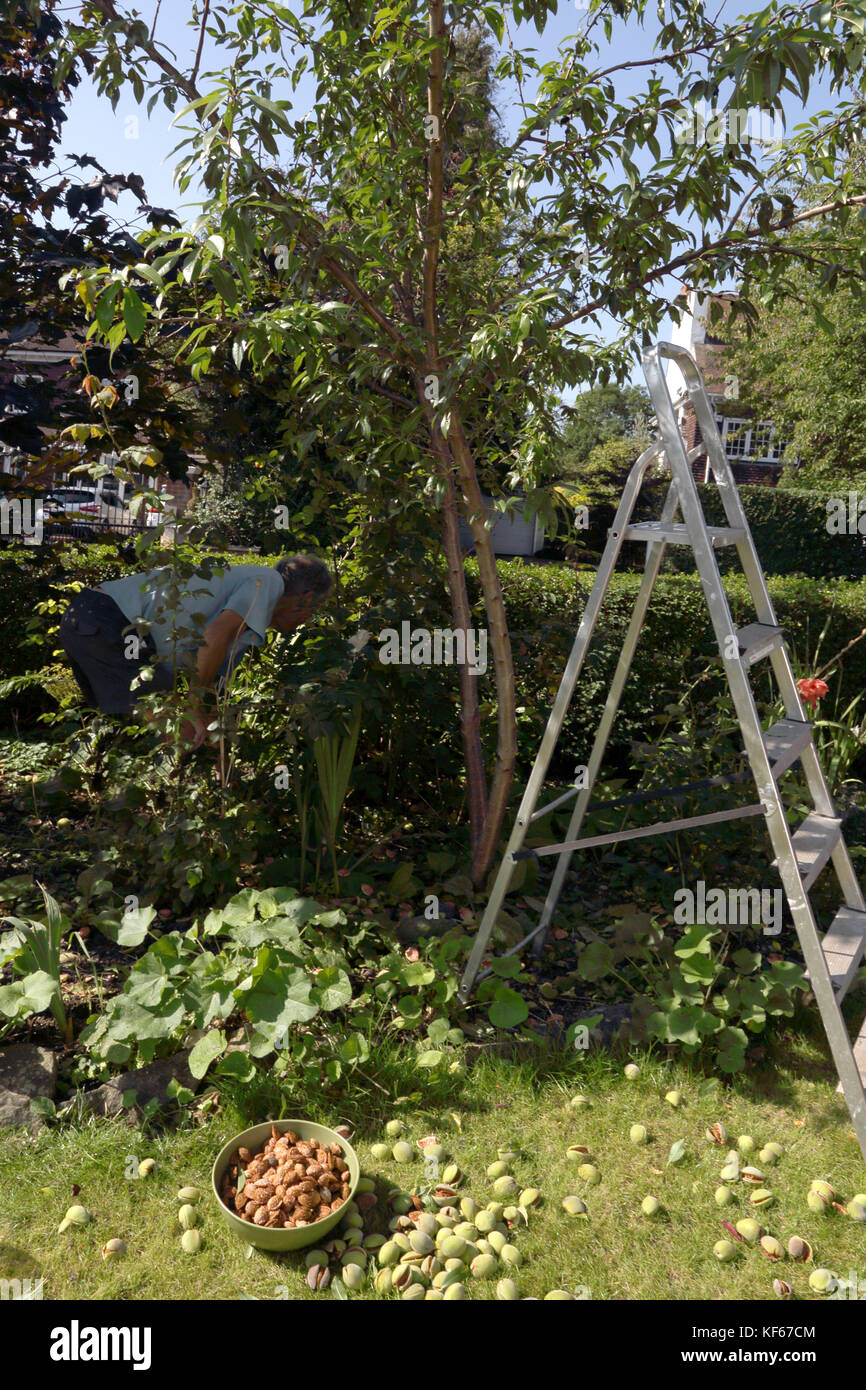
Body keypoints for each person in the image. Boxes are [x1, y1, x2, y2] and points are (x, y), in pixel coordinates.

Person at [58, 554, 333, 746]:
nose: (309, 619)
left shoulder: (246, 625)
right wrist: (191, 707)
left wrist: (218, 741)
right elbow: (214, 636)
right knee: (180, 724)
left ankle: (168, 798)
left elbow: (212, 685)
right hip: (107, 618)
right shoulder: (269, 581)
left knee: (179, 728)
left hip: (90, 621)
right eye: (315, 610)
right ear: (306, 599)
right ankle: (163, 808)